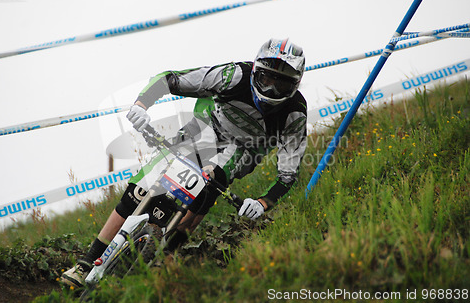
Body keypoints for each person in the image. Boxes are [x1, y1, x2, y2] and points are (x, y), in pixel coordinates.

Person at [61, 38, 308, 288]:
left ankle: (163, 259)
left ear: (295, 84)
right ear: (255, 71)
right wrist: (141, 105)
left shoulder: (294, 114)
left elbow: (287, 174)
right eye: (267, 79)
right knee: (138, 192)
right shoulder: (233, 75)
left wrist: (261, 203)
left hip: (244, 150)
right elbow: (170, 80)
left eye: (281, 84)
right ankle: (85, 263)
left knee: (210, 188)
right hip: (207, 127)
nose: (271, 90)